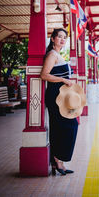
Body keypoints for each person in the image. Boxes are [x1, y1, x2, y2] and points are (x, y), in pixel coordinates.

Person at [41, 28, 78, 176]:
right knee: (69, 124)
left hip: (61, 96)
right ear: (53, 39)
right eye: (60, 37)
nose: (63, 40)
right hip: (55, 96)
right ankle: (58, 159)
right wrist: (63, 79)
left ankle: (59, 162)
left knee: (60, 127)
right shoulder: (52, 55)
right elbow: (44, 75)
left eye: (65, 37)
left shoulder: (59, 55)